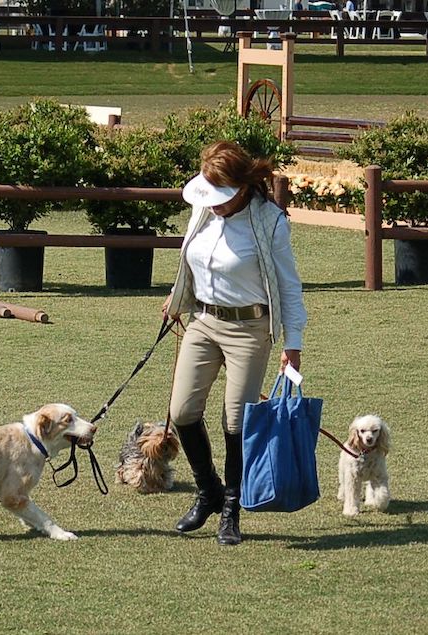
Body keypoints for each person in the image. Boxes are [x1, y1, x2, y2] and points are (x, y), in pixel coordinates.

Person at [162, 141, 307, 546]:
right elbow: (191, 262)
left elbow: (289, 288)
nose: (216, 205)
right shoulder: (202, 209)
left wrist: (292, 344)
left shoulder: (271, 222)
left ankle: (231, 506)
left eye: (223, 197)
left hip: (249, 329)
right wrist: (177, 302)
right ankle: (207, 491)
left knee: (236, 420)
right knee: (183, 410)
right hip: (202, 321)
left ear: (243, 187)